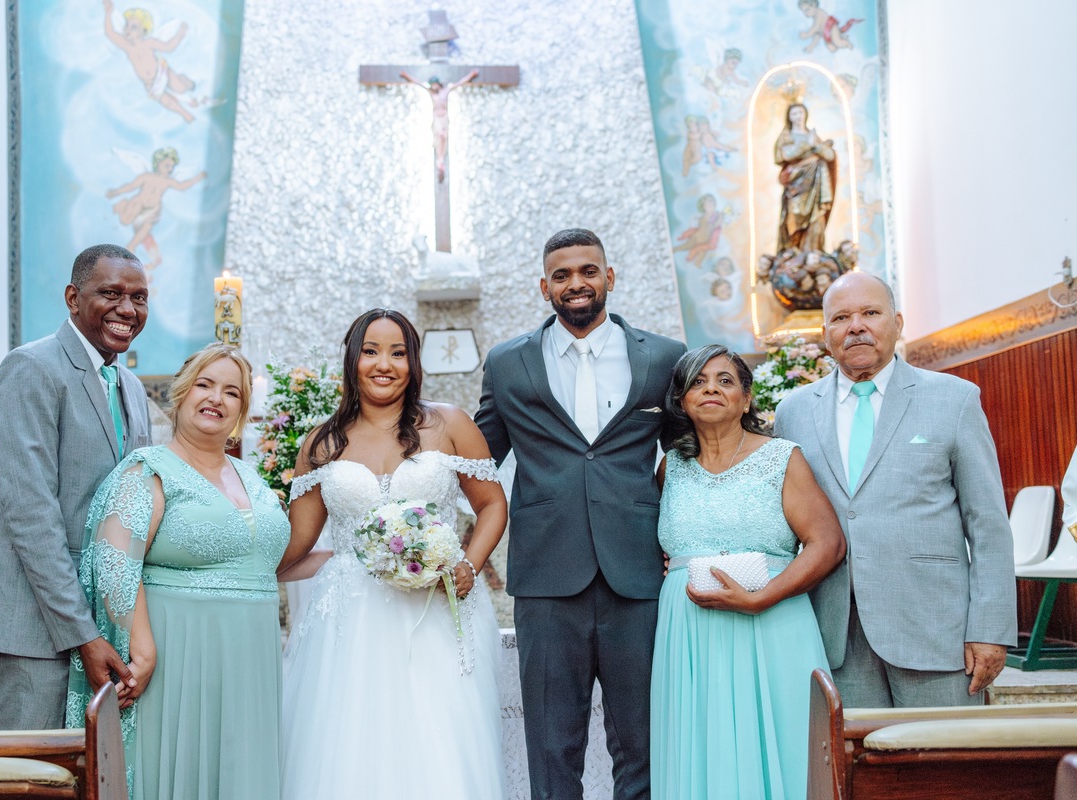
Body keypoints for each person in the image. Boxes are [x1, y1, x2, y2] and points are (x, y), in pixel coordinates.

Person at [475, 228, 686, 800]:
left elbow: (692, 457)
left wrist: (686, 535)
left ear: (609, 278)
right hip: (546, 575)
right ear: (544, 286)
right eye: (562, 275)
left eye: (588, 271)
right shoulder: (508, 362)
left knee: (641, 740)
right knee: (551, 743)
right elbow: (478, 460)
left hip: (639, 571)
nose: (577, 284)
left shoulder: (664, 358)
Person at [278, 308, 508, 798]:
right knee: (348, 743)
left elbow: (491, 505)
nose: (385, 363)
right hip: (350, 622)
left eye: (398, 352)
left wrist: (469, 563)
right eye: (371, 351)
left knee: (439, 734)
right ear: (352, 360)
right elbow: (294, 547)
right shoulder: (321, 442)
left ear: (414, 361)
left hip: (437, 611)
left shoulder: (450, 423)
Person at [774, 271, 1017, 707]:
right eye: (841, 317)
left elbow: (988, 525)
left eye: (870, 312)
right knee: (859, 772)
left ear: (898, 322)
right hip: (836, 637)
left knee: (945, 770)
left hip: (935, 631)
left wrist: (989, 629)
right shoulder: (793, 412)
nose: (856, 326)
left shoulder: (953, 400)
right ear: (825, 332)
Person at [65, 343, 290, 799]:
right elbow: (115, 565)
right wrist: (144, 652)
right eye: (205, 385)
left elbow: (265, 557)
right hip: (177, 654)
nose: (216, 399)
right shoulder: (147, 469)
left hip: (251, 659)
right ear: (182, 394)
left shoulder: (253, 479)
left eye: (232, 392)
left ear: (242, 410)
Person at [0, 244, 151, 729]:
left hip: (108, 622)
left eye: (140, 298)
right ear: (72, 297)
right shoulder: (32, 367)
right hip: (36, 626)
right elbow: (30, 515)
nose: (128, 309)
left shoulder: (132, 388)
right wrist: (83, 632)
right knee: (37, 777)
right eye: (111, 293)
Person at [652, 344, 845, 799]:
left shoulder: (781, 457)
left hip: (772, 622)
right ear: (681, 400)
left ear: (746, 396)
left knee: (782, 743)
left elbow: (828, 543)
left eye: (724, 380)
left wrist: (765, 596)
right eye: (698, 382)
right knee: (701, 745)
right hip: (690, 635)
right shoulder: (670, 469)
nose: (711, 389)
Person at [775, 102, 836, 254]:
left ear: (805, 114)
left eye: (800, 112)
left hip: (815, 185)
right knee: (793, 220)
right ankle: (792, 253)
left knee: (816, 219)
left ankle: (813, 254)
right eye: (794, 113)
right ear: (789, 117)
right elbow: (784, 155)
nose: (798, 116)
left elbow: (830, 155)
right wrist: (807, 145)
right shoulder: (786, 136)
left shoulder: (813, 136)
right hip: (796, 186)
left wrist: (816, 145)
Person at [399, 69, 479, 182]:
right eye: (431, 85)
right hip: (436, 118)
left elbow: (460, 83)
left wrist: (471, 75)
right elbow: (417, 82)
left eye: (434, 84)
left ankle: (440, 161)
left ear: (438, 84)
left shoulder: (445, 91)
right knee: (439, 136)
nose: (433, 87)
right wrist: (406, 75)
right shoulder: (431, 93)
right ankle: (439, 160)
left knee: (444, 138)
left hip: (445, 118)